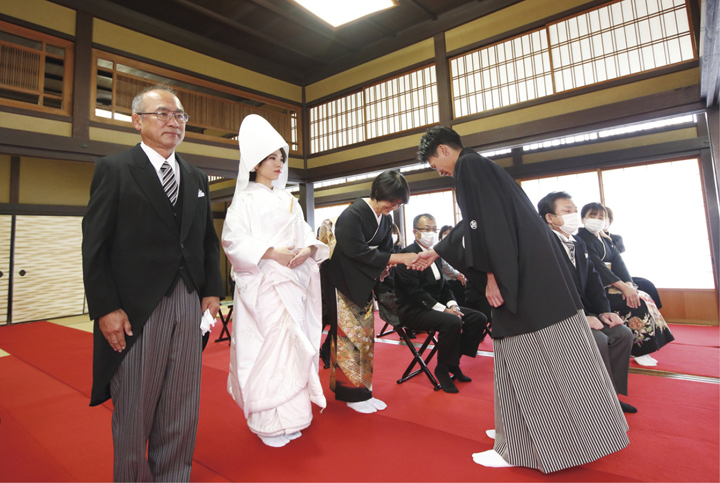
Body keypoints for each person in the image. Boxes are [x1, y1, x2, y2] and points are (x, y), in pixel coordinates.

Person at [414, 126, 628, 473]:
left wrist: (492, 276)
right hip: (533, 278)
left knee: (530, 362)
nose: (435, 169)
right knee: (517, 363)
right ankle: (514, 434)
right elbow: (477, 227)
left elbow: (487, 226)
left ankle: (519, 446)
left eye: (431, 162)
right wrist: (438, 251)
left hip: (522, 284)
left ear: (442, 149)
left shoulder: (469, 167)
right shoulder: (482, 166)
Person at [82, 84, 223, 481]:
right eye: (162, 113)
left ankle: (173, 476)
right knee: (136, 407)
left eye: (179, 115)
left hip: (189, 300)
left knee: (182, 403)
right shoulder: (115, 169)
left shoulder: (195, 175)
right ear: (137, 121)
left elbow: (206, 242)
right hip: (135, 308)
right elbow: (95, 245)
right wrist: (105, 308)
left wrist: (211, 289)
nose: (172, 121)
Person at [221, 114, 329, 448]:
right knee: (268, 350)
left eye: (281, 158)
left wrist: (309, 248)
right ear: (255, 163)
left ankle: (294, 416)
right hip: (264, 283)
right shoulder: (244, 200)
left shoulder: (289, 200)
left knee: (294, 347)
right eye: (272, 158)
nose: (279, 164)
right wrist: (269, 252)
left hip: (292, 282)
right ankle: (268, 422)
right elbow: (232, 241)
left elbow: (307, 234)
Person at [324, 171, 419, 414]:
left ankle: (362, 390)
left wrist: (385, 268)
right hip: (343, 282)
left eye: (398, 204)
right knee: (350, 339)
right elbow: (358, 252)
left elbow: (384, 249)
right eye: (392, 202)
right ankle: (351, 394)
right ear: (379, 193)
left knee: (365, 338)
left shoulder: (384, 218)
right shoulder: (352, 215)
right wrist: (398, 258)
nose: (394, 207)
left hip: (364, 281)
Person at [539, 192, 637, 413]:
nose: (574, 214)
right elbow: (549, 289)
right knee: (599, 339)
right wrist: (581, 316)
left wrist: (604, 311)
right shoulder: (541, 244)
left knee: (623, 333)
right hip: (558, 314)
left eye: (575, 210)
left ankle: (611, 395)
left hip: (587, 311)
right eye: (567, 211)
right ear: (550, 218)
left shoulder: (578, 242)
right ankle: (593, 400)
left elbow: (593, 281)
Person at [394, 214, 486, 393]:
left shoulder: (435, 254)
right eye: (426, 229)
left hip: (437, 306)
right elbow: (414, 292)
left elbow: (444, 288)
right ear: (415, 232)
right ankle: (441, 369)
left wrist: (452, 305)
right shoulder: (405, 255)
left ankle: (453, 363)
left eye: (434, 229)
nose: (432, 233)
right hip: (414, 309)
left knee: (477, 318)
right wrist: (444, 310)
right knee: (452, 321)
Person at [576, 203, 674, 366]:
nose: (597, 221)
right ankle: (638, 349)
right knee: (637, 304)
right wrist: (623, 288)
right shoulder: (581, 239)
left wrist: (629, 286)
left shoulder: (606, 239)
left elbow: (620, 264)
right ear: (583, 218)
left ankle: (649, 345)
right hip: (596, 288)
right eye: (592, 216)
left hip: (612, 283)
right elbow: (599, 268)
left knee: (643, 295)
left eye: (601, 217)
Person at [605, 206, 662, 308]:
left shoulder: (615, 237)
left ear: (610, 221)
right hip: (607, 277)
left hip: (621, 274)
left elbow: (620, 250)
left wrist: (606, 238)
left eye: (604, 218)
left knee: (647, 285)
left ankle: (655, 315)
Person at [374, 223, 404, 335]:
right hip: (386, 288)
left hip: (400, 286)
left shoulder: (401, 251)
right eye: (390, 234)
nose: (393, 236)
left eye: (394, 233)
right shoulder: (379, 254)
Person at [438, 225, 467, 305]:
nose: (447, 235)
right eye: (445, 233)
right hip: (447, 281)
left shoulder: (459, 248)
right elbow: (444, 265)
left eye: (450, 233)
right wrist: (457, 275)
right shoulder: (439, 249)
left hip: (460, 280)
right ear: (440, 235)